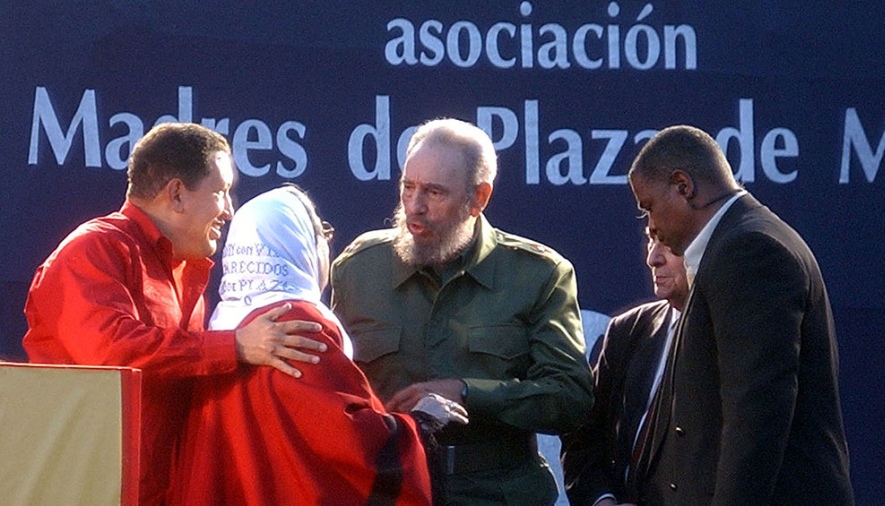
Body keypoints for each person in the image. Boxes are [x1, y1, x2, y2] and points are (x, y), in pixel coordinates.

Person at [22, 123, 325, 504]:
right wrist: (234, 347)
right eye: (221, 192)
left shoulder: (186, 270)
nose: (229, 211)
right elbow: (111, 355)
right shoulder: (91, 250)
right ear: (177, 194)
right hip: (87, 490)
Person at [331, 117, 594, 505]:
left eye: (434, 192)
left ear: (479, 198)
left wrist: (469, 392)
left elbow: (570, 398)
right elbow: (330, 390)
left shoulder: (538, 275)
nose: (414, 207)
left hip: (495, 495)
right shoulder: (358, 269)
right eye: (408, 187)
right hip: (389, 491)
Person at [168, 184, 468, 505]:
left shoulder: (224, 329)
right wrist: (420, 423)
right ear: (297, 241)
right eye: (321, 234)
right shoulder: (298, 324)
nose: (326, 246)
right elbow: (348, 442)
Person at [627, 125, 854, 504]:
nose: (651, 225)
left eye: (648, 206)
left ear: (683, 186)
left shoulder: (749, 249)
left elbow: (756, 412)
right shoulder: (736, 243)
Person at [560, 228, 689, 506]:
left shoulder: (737, 344)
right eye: (651, 240)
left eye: (668, 242)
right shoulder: (627, 330)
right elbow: (584, 438)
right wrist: (602, 501)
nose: (653, 258)